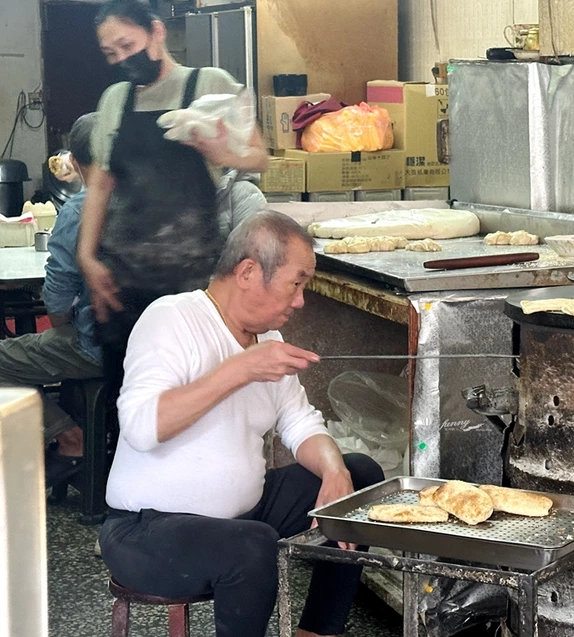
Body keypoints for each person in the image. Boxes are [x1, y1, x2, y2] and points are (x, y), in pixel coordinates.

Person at [99, 211, 384, 637]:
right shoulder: (172, 318)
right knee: (253, 545)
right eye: (296, 283)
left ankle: (318, 631)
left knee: (359, 477)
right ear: (248, 272)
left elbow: (301, 423)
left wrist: (334, 471)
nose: (300, 301)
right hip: (146, 531)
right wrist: (241, 369)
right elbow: (141, 428)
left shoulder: (268, 340)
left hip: (243, 515)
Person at [78, 0, 269, 406]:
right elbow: (100, 185)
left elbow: (259, 156)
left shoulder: (208, 84)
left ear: (156, 32)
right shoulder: (114, 100)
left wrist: (222, 154)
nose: (121, 59)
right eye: (110, 53)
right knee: (129, 404)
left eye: (127, 45)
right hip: (124, 284)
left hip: (193, 282)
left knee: (197, 402)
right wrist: (86, 257)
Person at [0, 113, 102, 487]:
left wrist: (63, 327)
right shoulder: (157, 199)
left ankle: (69, 437)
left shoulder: (79, 209)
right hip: (156, 341)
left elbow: (57, 301)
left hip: (99, 346)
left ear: (75, 160)